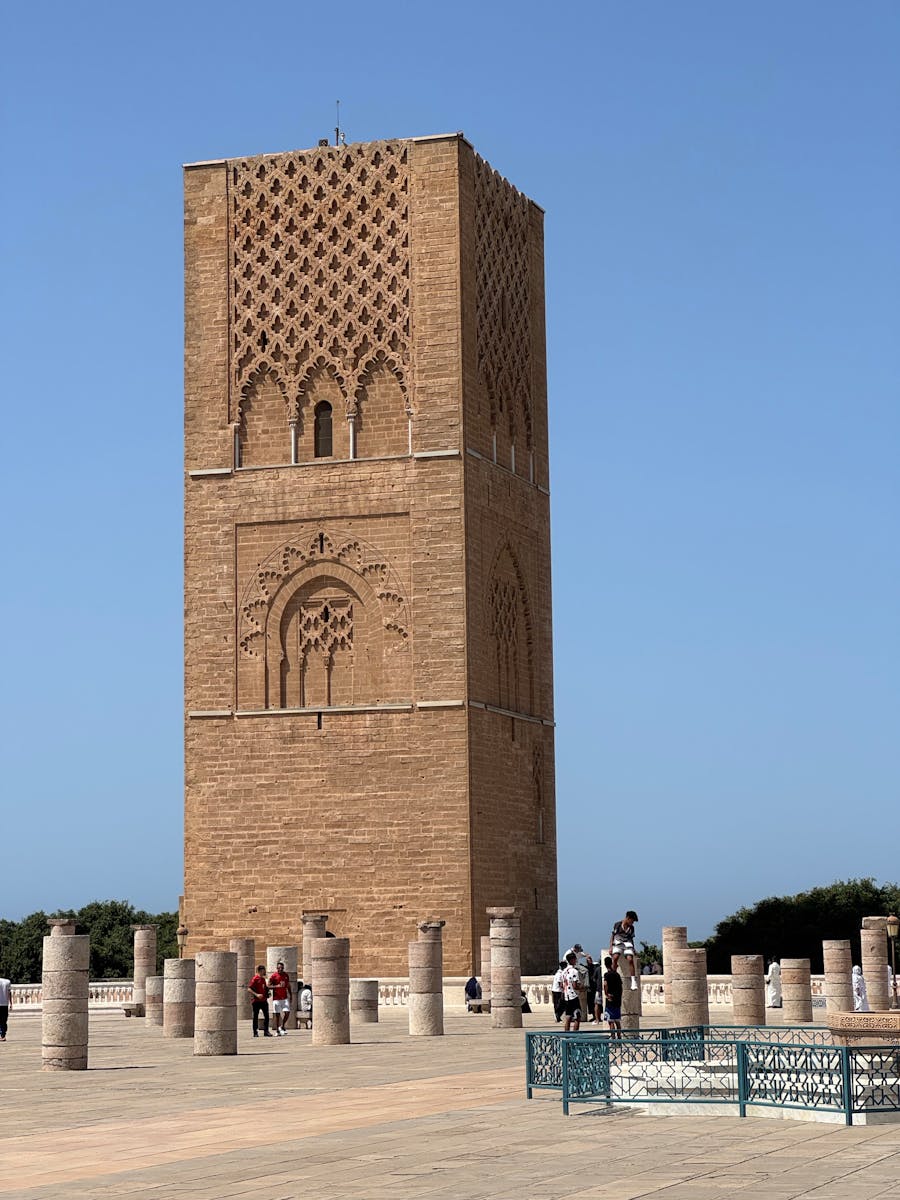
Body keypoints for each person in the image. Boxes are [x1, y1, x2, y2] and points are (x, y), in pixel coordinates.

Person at [610, 911, 640, 990]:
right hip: (618, 942)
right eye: (632, 921)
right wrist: (611, 947)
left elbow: (631, 939)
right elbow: (613, 935)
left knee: (630, 959)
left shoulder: (631, 928)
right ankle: (613, 977)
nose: (632, 923)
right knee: (615, 957)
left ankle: (633, 981)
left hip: (627, 943)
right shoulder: (617, 924)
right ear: (628, 918)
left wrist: (633, 948)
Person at [269, 960, 292, 1036]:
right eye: (279, 968)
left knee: (287, 1012)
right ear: (277, 968)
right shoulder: (274, 976)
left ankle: (282, 1026)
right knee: (277, 1015)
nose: (281, 969)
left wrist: (290, 995)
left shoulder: (286, 975)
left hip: (284, 997)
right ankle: (277, 1030)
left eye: (282, 968)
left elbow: (288, 985)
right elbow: (268, 986)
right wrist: (277, 986)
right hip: (277, 998)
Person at [247, 965, 271, 1037]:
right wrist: (257, 995)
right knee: (255, 1016)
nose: (264, 972)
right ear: (260, 971)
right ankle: (255, 1032)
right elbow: (249, 989)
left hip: (264, 1000)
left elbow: (264, 988)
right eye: (263, 970)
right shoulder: (255, 979)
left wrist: (267, 992)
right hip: (256, 1001)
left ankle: (266, 1031)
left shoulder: (263, 979)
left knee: (266, 1016)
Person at [561, 951, 582, 1032]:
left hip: (567, 996)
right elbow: (575, 985)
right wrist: (581, 988)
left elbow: (562, 985)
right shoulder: (574, 971)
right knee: (578, 1015)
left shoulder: (563, 971)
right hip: (573, 996)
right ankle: (575, 1034)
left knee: (568, 1016)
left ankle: (567, 1034)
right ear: (572, 960)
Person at [602, 955, 623, 1038]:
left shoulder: (607, 975)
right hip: (617, 999)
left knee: (610, 1021)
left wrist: (606, 994)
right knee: (617, 1020)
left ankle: (613, 1038)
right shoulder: (617, 975)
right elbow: (621, 987)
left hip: (610, 999)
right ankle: (619, 1037)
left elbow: (605, 984)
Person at [0, 975, 10, 1042]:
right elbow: (9, 993)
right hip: (5, 1004)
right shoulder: (7, 981)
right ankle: (3, 1035)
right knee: (4, 1021)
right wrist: (11, 1003)